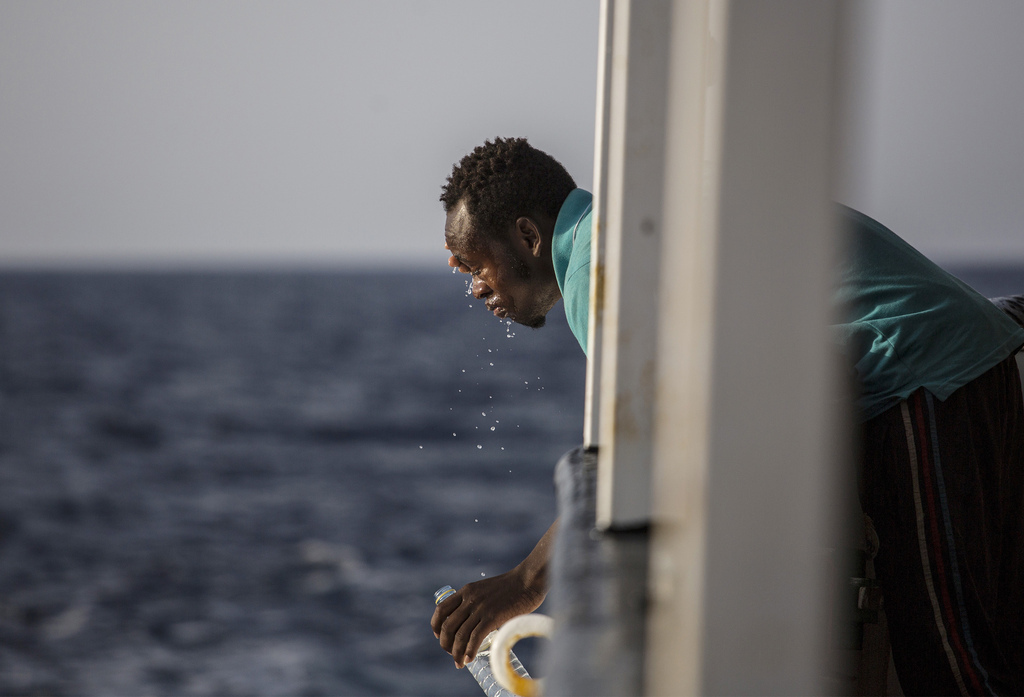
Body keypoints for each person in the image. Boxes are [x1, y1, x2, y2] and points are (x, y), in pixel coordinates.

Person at [430, 137, 1024, 694]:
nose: (476, 289)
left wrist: (525, 583)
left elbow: (651, 445)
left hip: (926, 377)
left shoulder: (599, 265)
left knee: (953, 669)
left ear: (529, 235)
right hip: (967, 366)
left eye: (476, 266)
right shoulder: (630, 224)